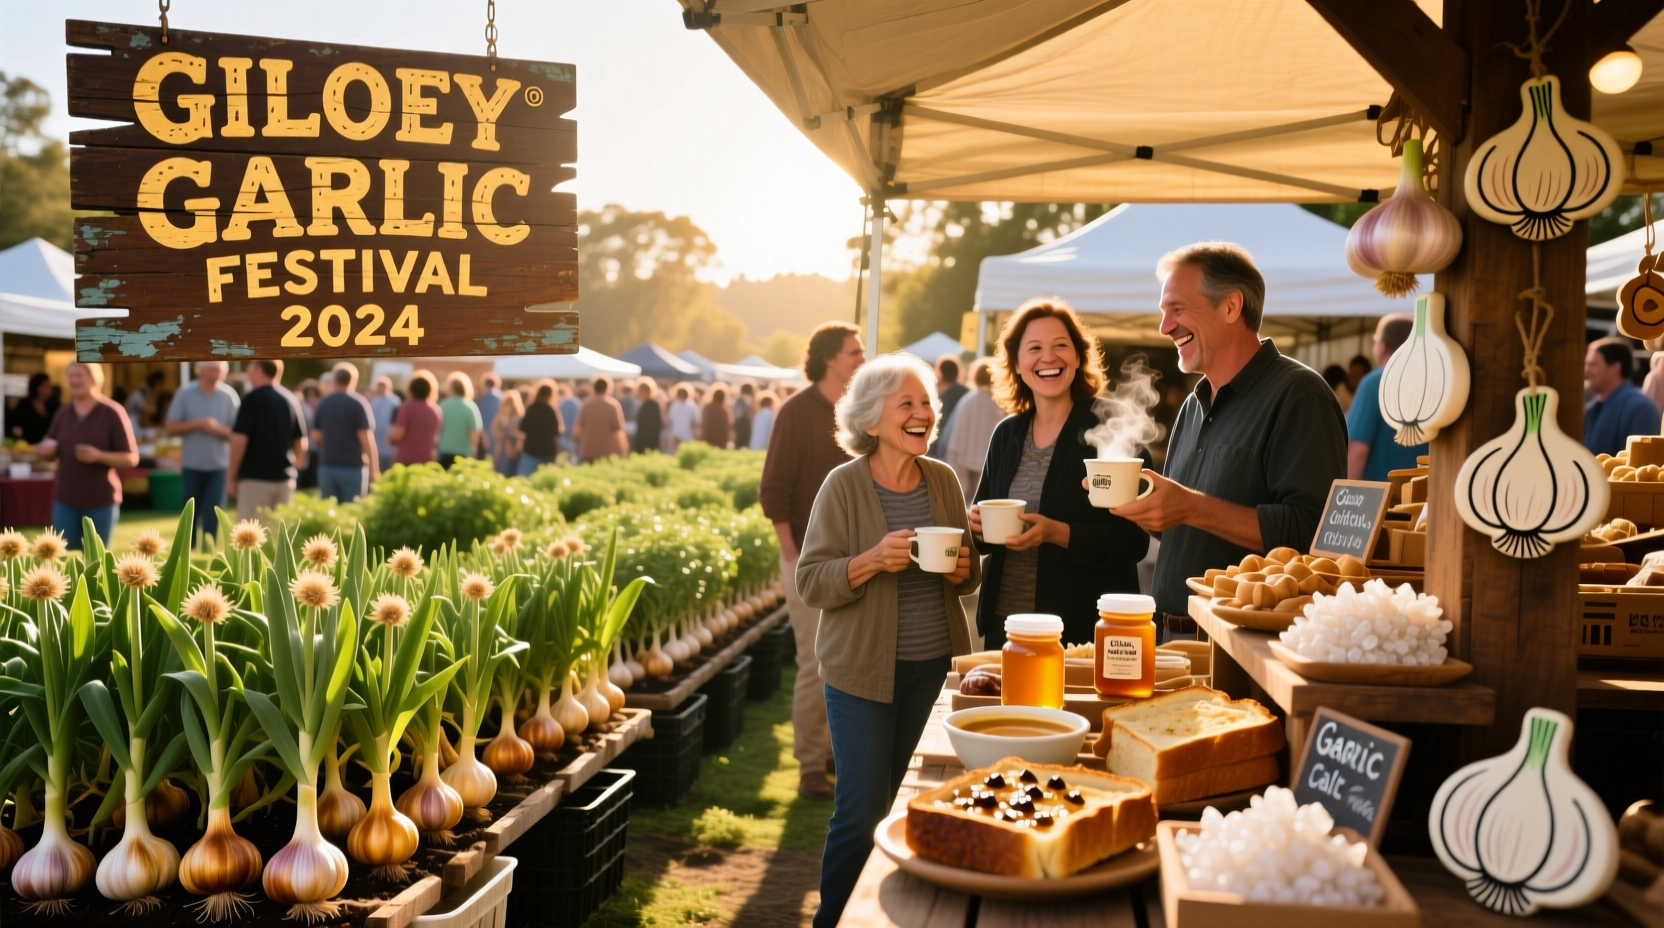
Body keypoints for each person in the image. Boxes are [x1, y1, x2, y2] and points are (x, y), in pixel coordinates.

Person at [796, 353, 979, 928]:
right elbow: (810, 580)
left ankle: (901, 916)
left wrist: (962, 572)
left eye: (926, 403)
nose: (923, 412)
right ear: (872, 421)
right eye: (908, 404)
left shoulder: (943, 480)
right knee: (860, 812)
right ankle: (836, 918)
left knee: (922, 805)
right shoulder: (843, 485)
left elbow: (968, 575)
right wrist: (871, 561)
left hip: (936, 674)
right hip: (862, 679)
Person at [1110, 243, 1347, 641]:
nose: (1165, 327)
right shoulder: (1194, 403)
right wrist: (1147, 505)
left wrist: (1188, 506)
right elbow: (1189, 526)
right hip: (1172, 635)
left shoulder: (1300, 395)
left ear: (1231, 307)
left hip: (1241, 646)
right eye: (1164, 313)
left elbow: (1314, 533)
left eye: (1178, 309)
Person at [966, 300, 1150, 649]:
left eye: (1060, 345)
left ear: (1078, 357)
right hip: (1007, 629)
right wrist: (976, 526)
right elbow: (984, 529)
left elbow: (1133, 542)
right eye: (1034, 348)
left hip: (1079, 631)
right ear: (1017, 364)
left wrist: (1058, 533)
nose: (1048, 358)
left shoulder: (1110, 428)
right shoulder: (1007, 435)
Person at [759, 321, 864, 800]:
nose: (861, 359)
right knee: (814, 661)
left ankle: (832, 755)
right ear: (828, 358)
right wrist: (792, 554)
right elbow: (773, 489)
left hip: (857, 561)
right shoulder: (797, 412)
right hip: (805, 559)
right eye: (853, 352)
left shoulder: (859, 413)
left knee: (847, 661)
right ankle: (809, 768)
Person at [38, 362, 137, 550]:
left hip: (100, 500)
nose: (74, 380)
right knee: (63, 560)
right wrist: (46, 451)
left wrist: (98, 456)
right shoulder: (63, 413)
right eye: (71, 376)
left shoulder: (112, 412)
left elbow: (131, 458)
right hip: (65, 499)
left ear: (94, 379)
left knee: (96, 559)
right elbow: (49, 446)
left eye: (80, 375)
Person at [164, 360, 240, 546]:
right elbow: (171, 427)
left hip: (219, 466)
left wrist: (215, 428)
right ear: (200, 370)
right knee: (189, 513)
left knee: (214, 512)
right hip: (192, 464)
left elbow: (237, 433)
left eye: (220, 369)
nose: (217, 373)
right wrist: (198, 424)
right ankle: (187, 552)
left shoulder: (228, 396)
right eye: (213, 369)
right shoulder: (185, 393)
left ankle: (209, 551)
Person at [228, 359, 307, 524]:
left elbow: (239, 441)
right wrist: (295, 470)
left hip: (255, 480)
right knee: (278, 537)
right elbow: (301, 441)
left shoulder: (252, 399)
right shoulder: (290, 398)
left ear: (258, 369)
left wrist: (231, 475)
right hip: (284, 478)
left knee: (249, 537)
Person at [1347, 315, 1425, 480]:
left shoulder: (1374, 383)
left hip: (1379, 499)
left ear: (1382, 346)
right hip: (1421, 497)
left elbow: (1357, 451)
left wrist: (1345, 498)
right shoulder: (1432, 384)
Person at [312, 366, 379, 502]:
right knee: (351, 512)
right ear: (353, 380)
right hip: (352, 466)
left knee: (328, 511)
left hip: (327, 464)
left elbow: (316, 435)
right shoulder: (358, 403)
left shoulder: (324, 402)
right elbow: (366, 439)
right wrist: (374, 470)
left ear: (334, 380)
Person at [1585, 337, 1661, 456]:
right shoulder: (1592, 407)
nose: (1586, 370)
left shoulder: (1640, 408)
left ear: (1615, 368)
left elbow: (1641, 465)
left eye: (1593, 365)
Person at [943, 359, 1003, 499]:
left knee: (969, 496)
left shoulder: (968, 400)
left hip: (968, 457)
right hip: (990, 458)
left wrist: (954, 455)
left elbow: (958, 431)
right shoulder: (1000, 403)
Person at [390, 370, 442, 465]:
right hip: (426, 459)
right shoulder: (435, 410)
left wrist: (389, 438)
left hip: (405, 458)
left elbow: (398, 434)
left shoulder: (408, 407)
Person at [573, 375, 628, 461]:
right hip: (607, 452)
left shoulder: (586, 404)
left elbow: (577, 431)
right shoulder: (612, 405)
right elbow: (619, 432)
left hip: (588, 450)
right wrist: (624, 450)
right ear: (608, 388)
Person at [438, 372, 484, 468]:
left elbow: (437, 429)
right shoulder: (470, 406)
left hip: (444, 450)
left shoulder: (443, 405)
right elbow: (474, 433)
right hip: (464, 453)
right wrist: (474, 451)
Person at [518, 380, 563, 475]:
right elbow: (558, 431)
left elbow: (522, 428)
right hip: (547, 451)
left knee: (524, 481)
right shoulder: (551, 410)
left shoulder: (531, 408)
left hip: (530, 450)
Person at [927, 355, 969, 458]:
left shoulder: (944, 395)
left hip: (946, 443)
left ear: (940, 371)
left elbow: (940, 421)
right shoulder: (965, 391)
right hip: (963, 442)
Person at [9, 373, 59, 444]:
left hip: (48, 446)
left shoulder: (53, 404)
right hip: (27, 446)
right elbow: (14, 423)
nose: (47, 390)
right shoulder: (25, 404)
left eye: (48, 387)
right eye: (43, 387)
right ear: (35, 387)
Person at [369, 375, 401, 472]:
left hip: (388, 438)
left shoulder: (394, 401)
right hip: (376, 437)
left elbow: (397, 420)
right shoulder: (374, 401)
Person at [492, 388, 525, 476]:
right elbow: (496, 432)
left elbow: (522, 436)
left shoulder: (518, 419)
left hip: (511, 450)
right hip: (502, 451)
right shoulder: (501, 418)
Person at [297, 380, 322, 489]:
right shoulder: (301, 404)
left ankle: (312, 485)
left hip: (317, 443)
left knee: (314, 465)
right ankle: (302, 485)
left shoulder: (320, 404)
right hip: (305, 440)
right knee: (303, 465)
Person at [631, 378, 663, 455]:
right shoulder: (644, 404)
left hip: (648, 441)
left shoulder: (651, 405)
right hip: (645, 440)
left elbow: (657, 425)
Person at [475, 374, 503, 460]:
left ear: (484, 384)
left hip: (487, 437)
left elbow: (484, 418)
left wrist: (483, 434)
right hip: (498, 437)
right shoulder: (501, 396)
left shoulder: (487, 398)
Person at [666, 384, 699, 450]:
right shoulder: (692, 405)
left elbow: (670, 421)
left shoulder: (674, 405)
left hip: (676, 436)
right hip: (687, 437)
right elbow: (696, 421)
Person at [558, 381, 585, 463]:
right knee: (573, 461)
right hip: (573, 438)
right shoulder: (576, 402)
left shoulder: (558, 403)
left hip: (561, 438)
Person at [733, 382, 755, 450]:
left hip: (740, 430)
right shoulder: (753, 401)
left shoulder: (740, 400)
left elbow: (737, 415)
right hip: (748, 431)